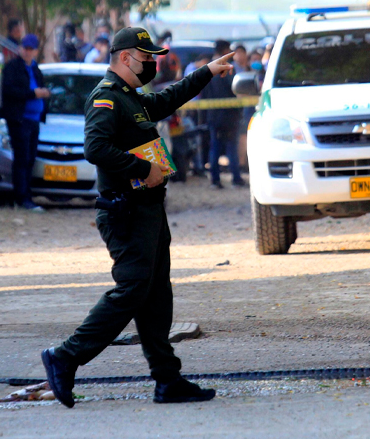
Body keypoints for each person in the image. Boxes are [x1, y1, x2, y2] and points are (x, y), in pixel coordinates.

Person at [40, 27, 234, 408]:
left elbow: (169, 98)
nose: (152, 64)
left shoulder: (132, 99)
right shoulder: (107, 99)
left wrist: (207, 72)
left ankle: (167, 379)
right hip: (125, 211)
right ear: (126, 57)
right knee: (131, 291)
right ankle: (65, 356)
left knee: (156, 295)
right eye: (147, 58)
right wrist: (142, 168)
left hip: (148, 210)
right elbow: (96, 147)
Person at [1, 34, 51, 211]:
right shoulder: (12, 67)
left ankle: (27, 195)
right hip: (19, 119)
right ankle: (21, 198)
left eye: (31, 49)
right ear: (21, 48)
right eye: (25, 48)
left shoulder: (36, 68)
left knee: (30, 159)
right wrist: (33, 94)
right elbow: (9, 91)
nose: (27, 52)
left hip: (34, 120)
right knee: (21, 158)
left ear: (36, 51)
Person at [202, 40, 244, 189]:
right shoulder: (226, 68)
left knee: (215, 147)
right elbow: (235, 89)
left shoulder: (207, 69)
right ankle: (236, 179)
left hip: (213, 115)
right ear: (225, 50)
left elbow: (203, 93)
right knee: (231, 147)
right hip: (229, 115)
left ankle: (215, 180)